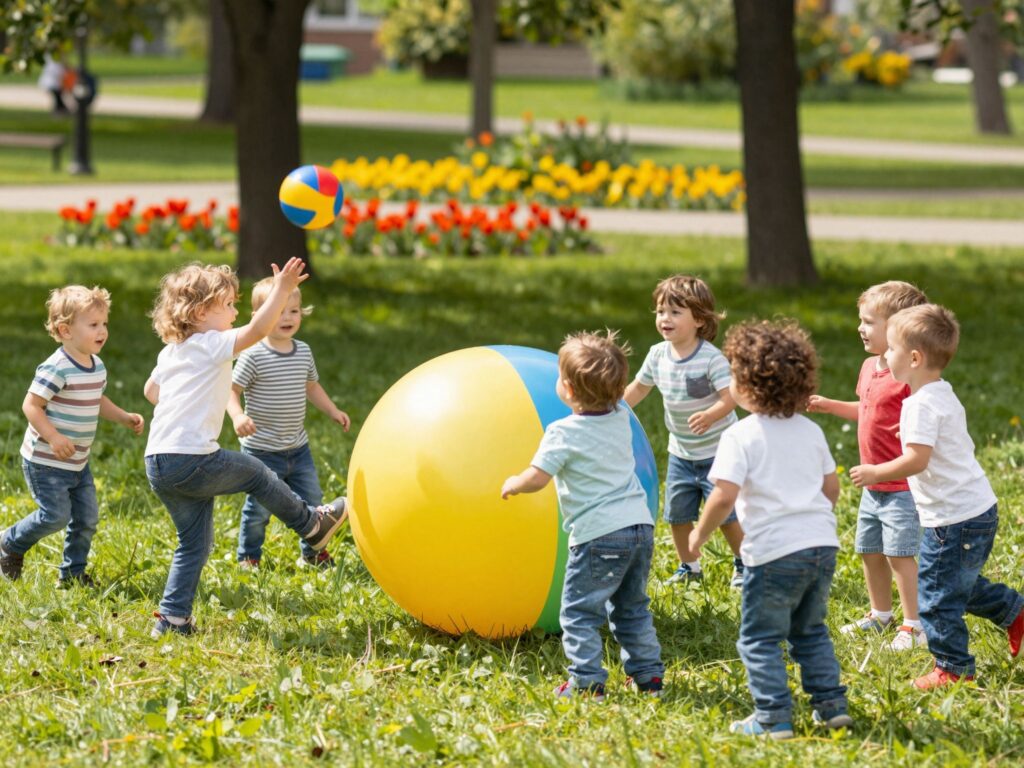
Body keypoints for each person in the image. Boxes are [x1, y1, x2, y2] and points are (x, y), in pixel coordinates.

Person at [143, 260, 347, 639]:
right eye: (228, 305)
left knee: (194, 544)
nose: (235, 313)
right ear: (200, 313)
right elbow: (258, 330)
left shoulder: (171, 351)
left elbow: (151, 392)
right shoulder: (212, 344)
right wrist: (282, 289)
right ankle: (311, 525)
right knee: (255, 472)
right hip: (192, 459)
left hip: (158, 463)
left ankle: (172, 619)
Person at [690, 320, 851, 740]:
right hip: (821, 546)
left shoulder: (740, 436)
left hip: (773, 554)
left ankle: (773, 717)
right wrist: (812, 521)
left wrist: (699, 535)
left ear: (747, 386)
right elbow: (831, 489)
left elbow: (722, 497)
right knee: (810, 631)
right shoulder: (811, 430)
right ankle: (831, 707)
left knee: (759, 638)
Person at [850, 304, 1024, 690]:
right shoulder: (940, 393)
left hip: (953, 518)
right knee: (956, 583)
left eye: (891, 349)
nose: (885, 356)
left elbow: (917, 460)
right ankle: (1016, 612)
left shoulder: (919, 405)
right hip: (972, 510)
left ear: (914, 358)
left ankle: (952, 668)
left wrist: (877, 472)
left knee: (935, 597)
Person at [502, 331, 664, 700]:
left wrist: (514, 483)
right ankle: (649, 679)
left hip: (598, 536)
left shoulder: (562, 432)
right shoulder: (621, 416)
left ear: (569, 390)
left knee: (578, 614)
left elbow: (537, 478)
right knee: (632, 608)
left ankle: (587, 683)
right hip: (640, 527)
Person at [808, 281, 928, 651]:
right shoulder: (868, 367)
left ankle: (915, 625)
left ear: (898, 328)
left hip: (901, 484)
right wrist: (830, 405)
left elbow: (925, 418)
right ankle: (880, 615)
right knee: (869, 550)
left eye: (868, 322)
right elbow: (866, 409)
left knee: (899, 554)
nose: (860, 328)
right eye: (861, 320)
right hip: (873, 486)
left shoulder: (909, 374)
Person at [0, 286, 144, 584]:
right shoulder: (57, 367)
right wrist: (53, 437)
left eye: (104, 323)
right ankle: (9, 543)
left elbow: (97, 400)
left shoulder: (96, 365)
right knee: (55, 516)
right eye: (93, 325)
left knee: (86, 519)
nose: (102, 331)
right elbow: (31, 405)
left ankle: (72, 574)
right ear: (65, 330)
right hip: (46, 461)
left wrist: (124, 417)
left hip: (78, 462)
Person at [624, 275, 742, 587]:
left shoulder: (710, 358)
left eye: (675, 312)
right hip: (681, 453)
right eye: (661, 311)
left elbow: (732, 396)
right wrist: (614, 408)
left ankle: (744, 564)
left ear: (700, 319)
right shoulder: (657, 354)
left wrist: (711, 414)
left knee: (727, 516)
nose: (665, 318)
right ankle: (690, 566)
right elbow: (639, 388)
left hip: (719, 453)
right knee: (677, 516)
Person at [227, 277, 351, 569]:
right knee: (258, 510)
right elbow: (230, 390)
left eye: (293, 311)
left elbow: (311, 386)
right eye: (279, 311)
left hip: (298, 448)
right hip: (261, 450)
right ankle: (249, 557)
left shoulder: (303, 351)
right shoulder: (253, 354)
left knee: (314, 501)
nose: (287, 318)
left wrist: (332, 410)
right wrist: (238, 416)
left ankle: (313, 553)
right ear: (259, 316)